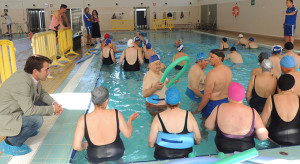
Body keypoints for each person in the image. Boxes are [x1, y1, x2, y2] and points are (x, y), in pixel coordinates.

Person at [0, 55, 64, 155]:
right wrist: (52, 109)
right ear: (35, 71)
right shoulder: (22, 83)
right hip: (7, 116)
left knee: (44, 103)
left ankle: (25, 130)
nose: (49, 72)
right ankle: (11, 142)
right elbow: (29, 110)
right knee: (37, 121)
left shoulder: (32, 76)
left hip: (19, 108)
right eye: (46, 70)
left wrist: (53, 103)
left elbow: (42, 93)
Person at [73, 87, 139, 163]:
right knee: (118, 158)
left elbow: (76, 146)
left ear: (93, 101)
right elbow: (128, 134)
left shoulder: (83, 119)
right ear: (107, 100)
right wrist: (130, 120)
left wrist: (85, 146)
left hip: (96, 155)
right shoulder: (116, 113)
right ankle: (119, 161)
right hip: (117, 152)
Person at [205, 82, 268, 153]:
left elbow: (208, 126)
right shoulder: (252, 111)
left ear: (228, 96)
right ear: (243, 96)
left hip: (222, 149)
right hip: (245, 151)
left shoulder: (219, 107)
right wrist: (253, 134)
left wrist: (218, 128)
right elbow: (263, 136)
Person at [148, 87, 201, 159]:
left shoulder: (158, 117)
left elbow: (151, 143)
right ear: (179, 102)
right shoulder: (189, 116)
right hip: (185, 155)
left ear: (166, 102)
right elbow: (198, 139)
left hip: (163, 155)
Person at [192, 49, 232, 118]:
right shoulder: (228, 70)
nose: (208, 59)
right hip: (225, 103)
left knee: (205, 125)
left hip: (213, 105)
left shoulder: (212, 73)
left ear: (219, 58)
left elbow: (207, 95)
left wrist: (198, 110)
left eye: (211, 57)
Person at [261, 74, 300, 145]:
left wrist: (266, 135)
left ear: (278, 87)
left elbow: (262, 122)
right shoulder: (298, 98)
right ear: (293, 87)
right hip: (296, 139)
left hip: (275, 139)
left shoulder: (271, 99)